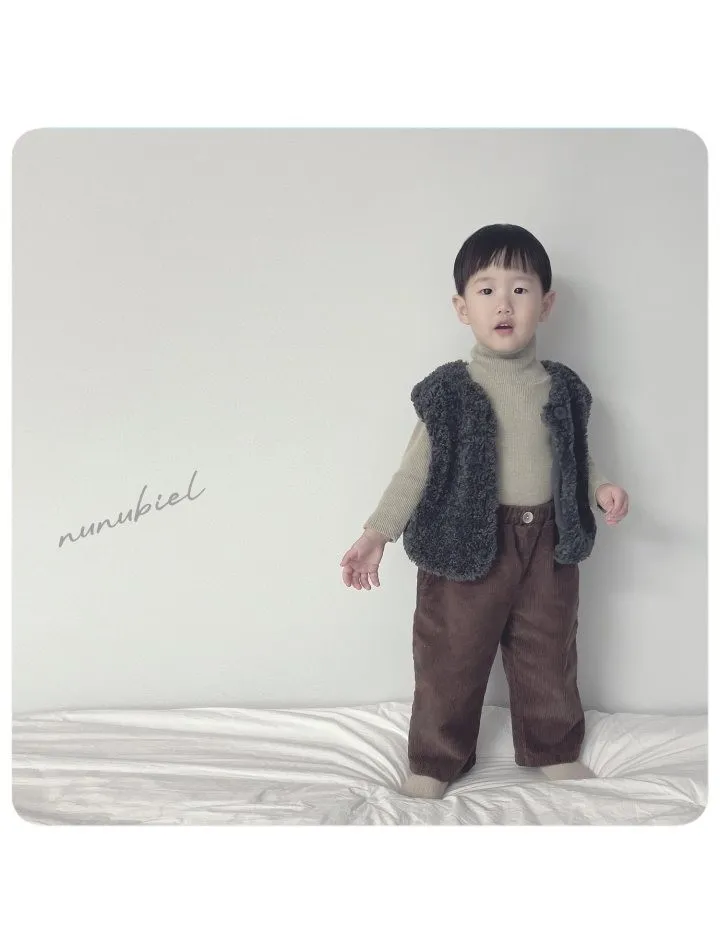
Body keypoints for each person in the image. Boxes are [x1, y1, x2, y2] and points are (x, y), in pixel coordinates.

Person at [339, 223, 629, 799]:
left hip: (547, 542)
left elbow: (575, 454)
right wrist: (376, 534)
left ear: (546, 305)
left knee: (548, 648)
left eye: (520, 290)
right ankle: (435, 759)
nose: (504, 304)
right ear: (461, 308)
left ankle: (552, 746)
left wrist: (601, 489)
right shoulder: (450, 391)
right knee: (450, 654)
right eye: (487, 290)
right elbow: (414, 471)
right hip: (466, 541)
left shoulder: (562, 388)